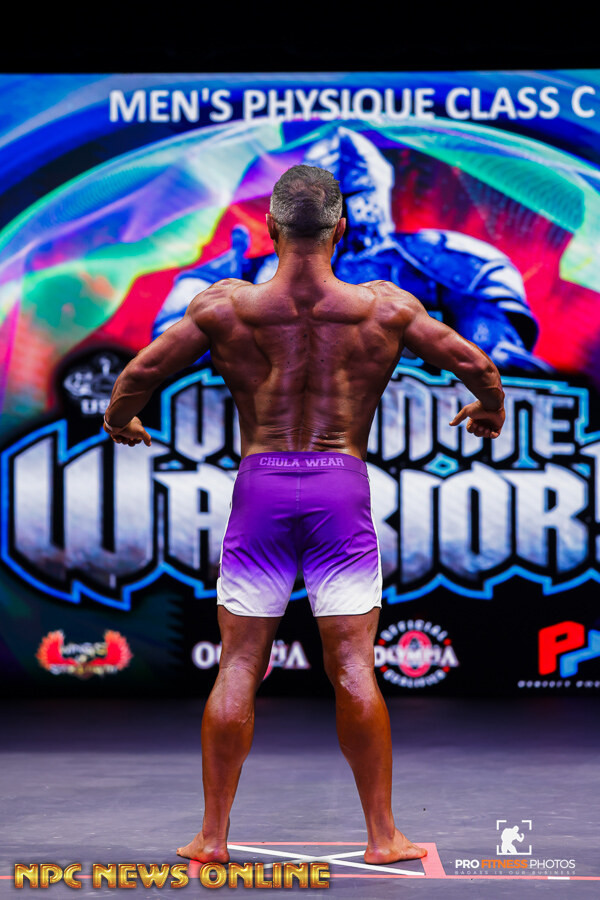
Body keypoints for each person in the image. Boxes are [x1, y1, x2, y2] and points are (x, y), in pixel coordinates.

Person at [103, 164, 506, 866]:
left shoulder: (224, 307)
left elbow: (138, 375)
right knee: (352, 664)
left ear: (270, 226)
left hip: (260, 490)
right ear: (341, 227)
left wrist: (120, 421)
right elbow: (480, 367)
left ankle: (212, 838)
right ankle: (382, 837)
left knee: (239, 662)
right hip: (337, 489)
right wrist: (490, 410)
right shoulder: (384, 309)